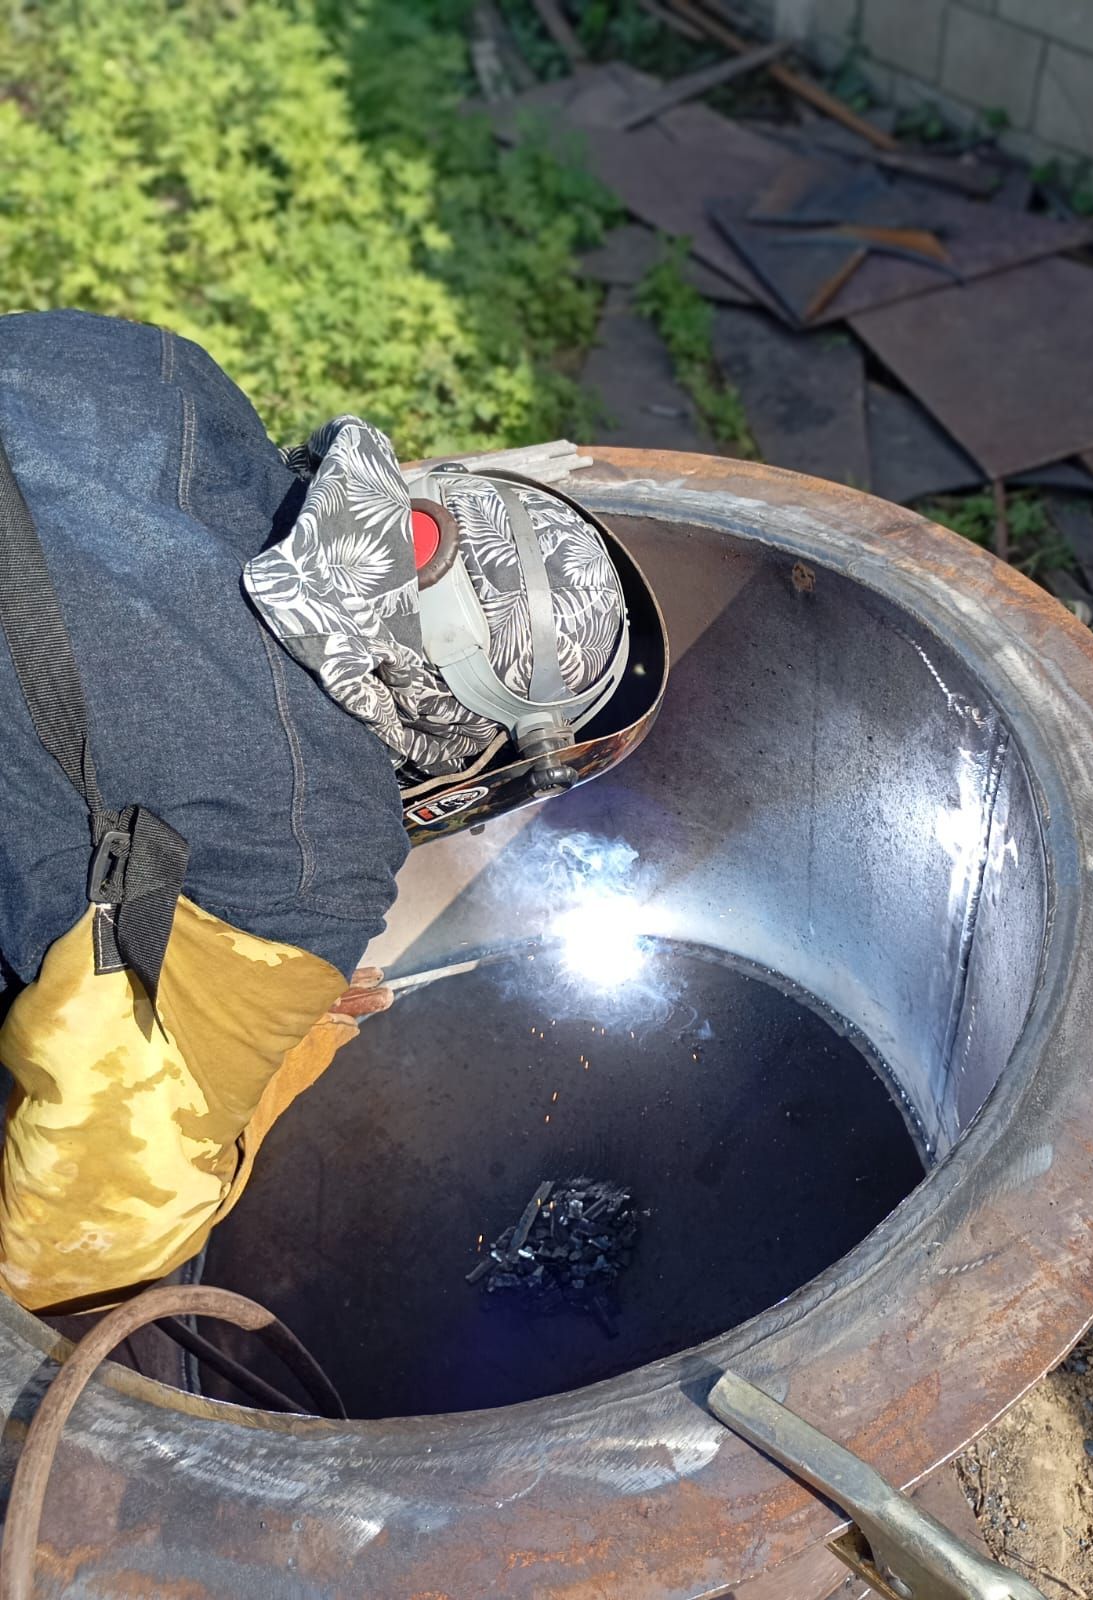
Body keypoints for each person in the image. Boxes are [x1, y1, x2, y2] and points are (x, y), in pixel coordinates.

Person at [0, 309, 663, 1316]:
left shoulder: (166, 374)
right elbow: (75, 1233)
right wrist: (265, 1070)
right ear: (464, 744)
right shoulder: (310, 858)